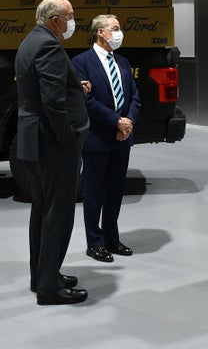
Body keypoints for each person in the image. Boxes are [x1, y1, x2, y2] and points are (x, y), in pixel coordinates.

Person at [15, 0, 90, 305]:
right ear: (56, 19)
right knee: (58, 214)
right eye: (70, 16)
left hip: (35, 139)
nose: (73, 22)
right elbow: (52, 101)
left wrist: (75, 88)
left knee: (42, 211)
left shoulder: (30, 41)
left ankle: (43, 275)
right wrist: (68, 136)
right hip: (54, 144)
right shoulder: (49, 46)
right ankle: (50, 289)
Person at [72, 14, 141, 263]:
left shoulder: (122, 62)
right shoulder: (82, 62)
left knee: (115, 190)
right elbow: (86, 100)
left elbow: (134, 96)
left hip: (122, 136)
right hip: (98, 137)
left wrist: (128, 121)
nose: (119, 32)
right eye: (115, 28)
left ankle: (112, 237)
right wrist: (116, 121)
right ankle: (95, 242)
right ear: (100, 32)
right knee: (94, 190)